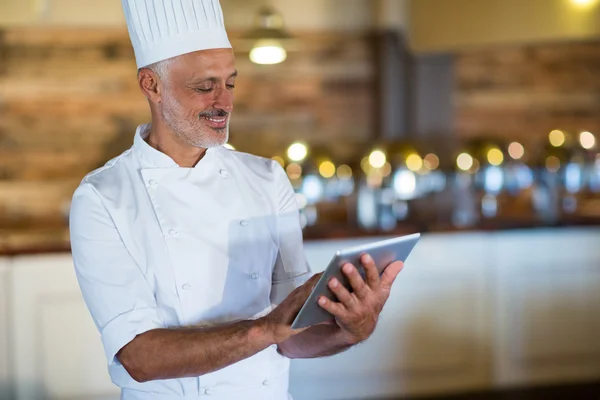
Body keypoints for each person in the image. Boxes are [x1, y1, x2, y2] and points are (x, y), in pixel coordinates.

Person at [69, 1, 404, 399]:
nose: (223, 103)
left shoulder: (266, 178)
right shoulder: (102, 198)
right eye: (204, 86)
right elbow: (139, 357)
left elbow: (292, 337)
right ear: (151, 85)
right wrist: (266, 328)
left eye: (230, 83)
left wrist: (351, 329)